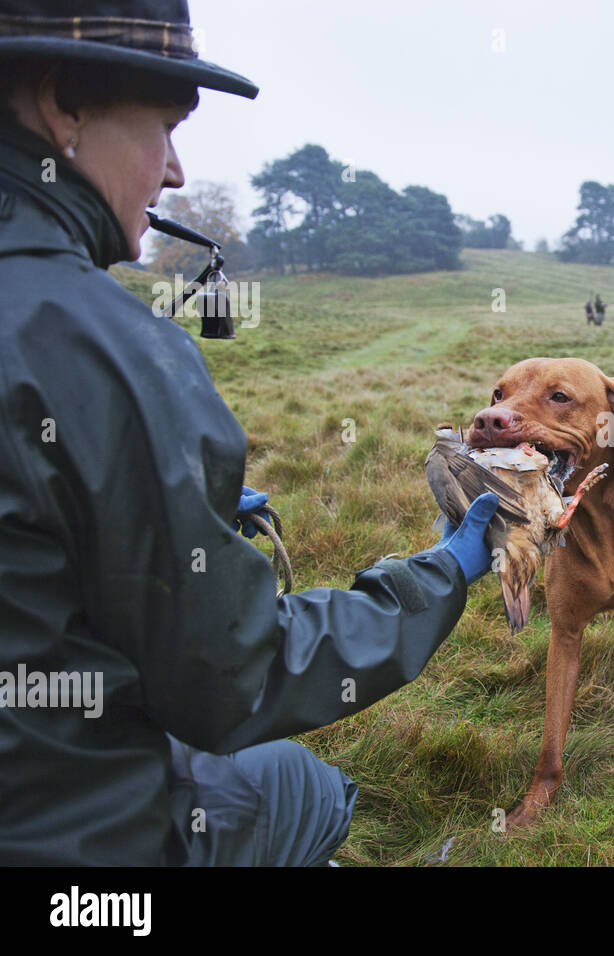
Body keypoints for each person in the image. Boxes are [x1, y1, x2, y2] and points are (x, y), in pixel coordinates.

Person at [0, 0, 499, 866]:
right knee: (305, 786)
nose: (177, 173)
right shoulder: (111, 351)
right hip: (69, 838)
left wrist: (155, 520)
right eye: (164, 124)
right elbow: (230, 679)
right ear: (62, 104)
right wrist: (441, 572)